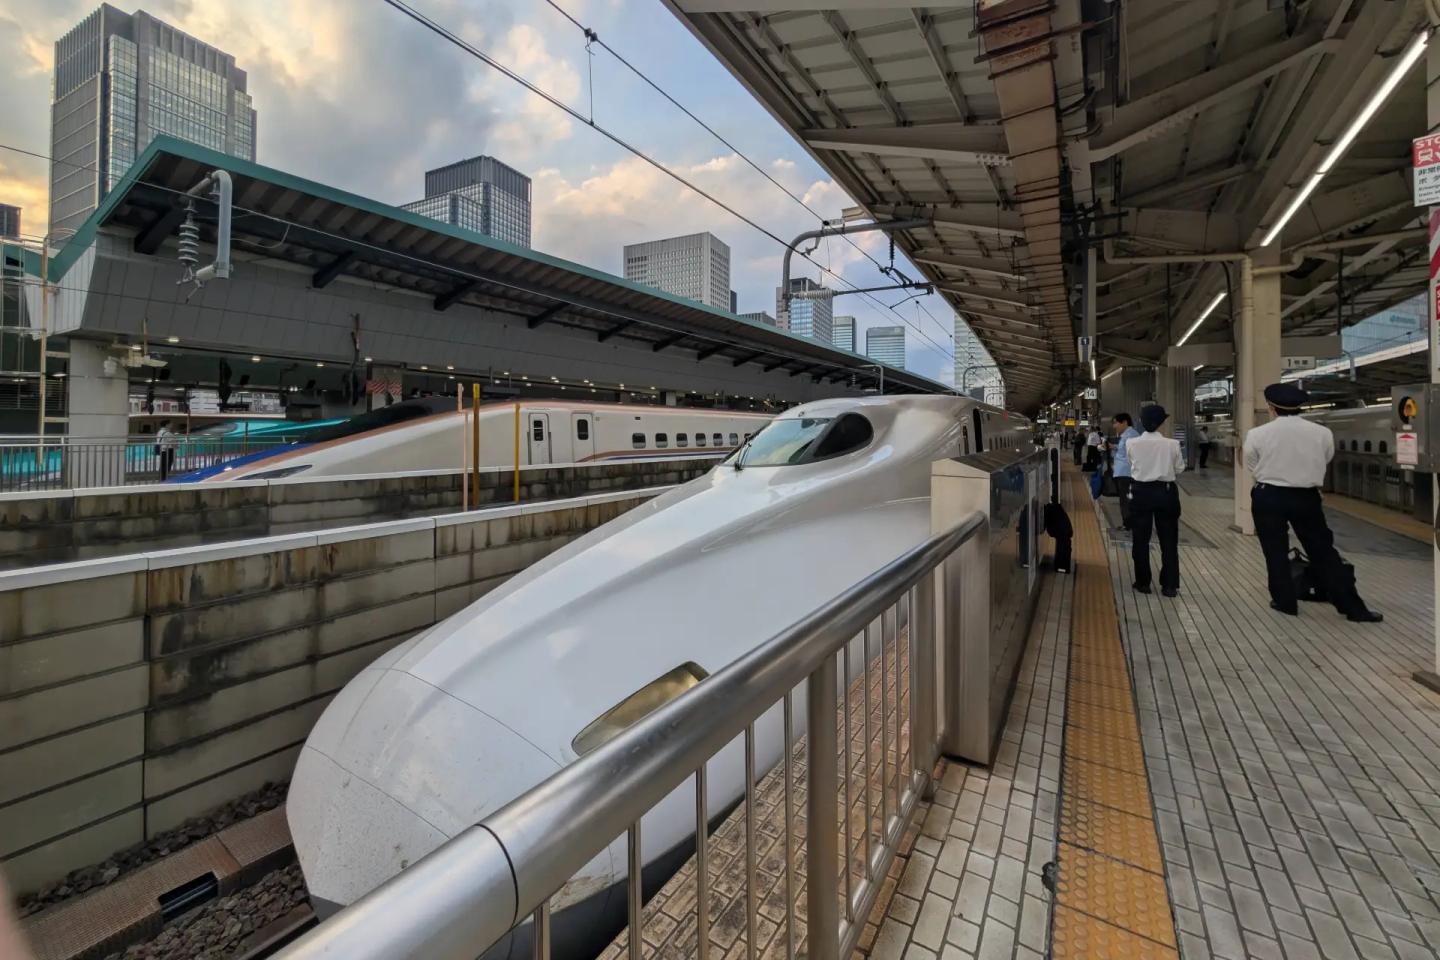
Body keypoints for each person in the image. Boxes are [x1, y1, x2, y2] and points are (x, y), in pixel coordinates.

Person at [1244, 382, 1382, 622]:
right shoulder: (1321, 433)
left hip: (1269, 495)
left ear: (1271, 407)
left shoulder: (1257, 434)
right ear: (1299, 407)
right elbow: (1326, 457)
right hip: (1306, 497)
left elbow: (1251, 464)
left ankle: (1285, 602)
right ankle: (1353, 608)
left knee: (1274, 552)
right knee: (1323, 552)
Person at [1127, 404, 1185, 597]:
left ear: (1141, 422)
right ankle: (1169, 586)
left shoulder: (1132, 443)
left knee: (1140, 539)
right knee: (1169, 540)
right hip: (1166, 492)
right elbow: (1179, 469)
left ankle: (1143, 582)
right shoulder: (1172, 444)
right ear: (1161, 423)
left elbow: (1131, 465)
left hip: (1140, 492)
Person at [1111, 413, 1139, 530]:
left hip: (1126, 473)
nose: (1114, 426)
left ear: (1124, 422)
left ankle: (1128, 524)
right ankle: (1128, 523)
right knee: (1125, 498)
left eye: (1116, 422)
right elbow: (1124, 450)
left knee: (1126, 499)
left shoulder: (1131, 435)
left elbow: (1133, 454)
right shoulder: (1126, 435)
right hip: (1123, 472)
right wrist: (1113, 447)